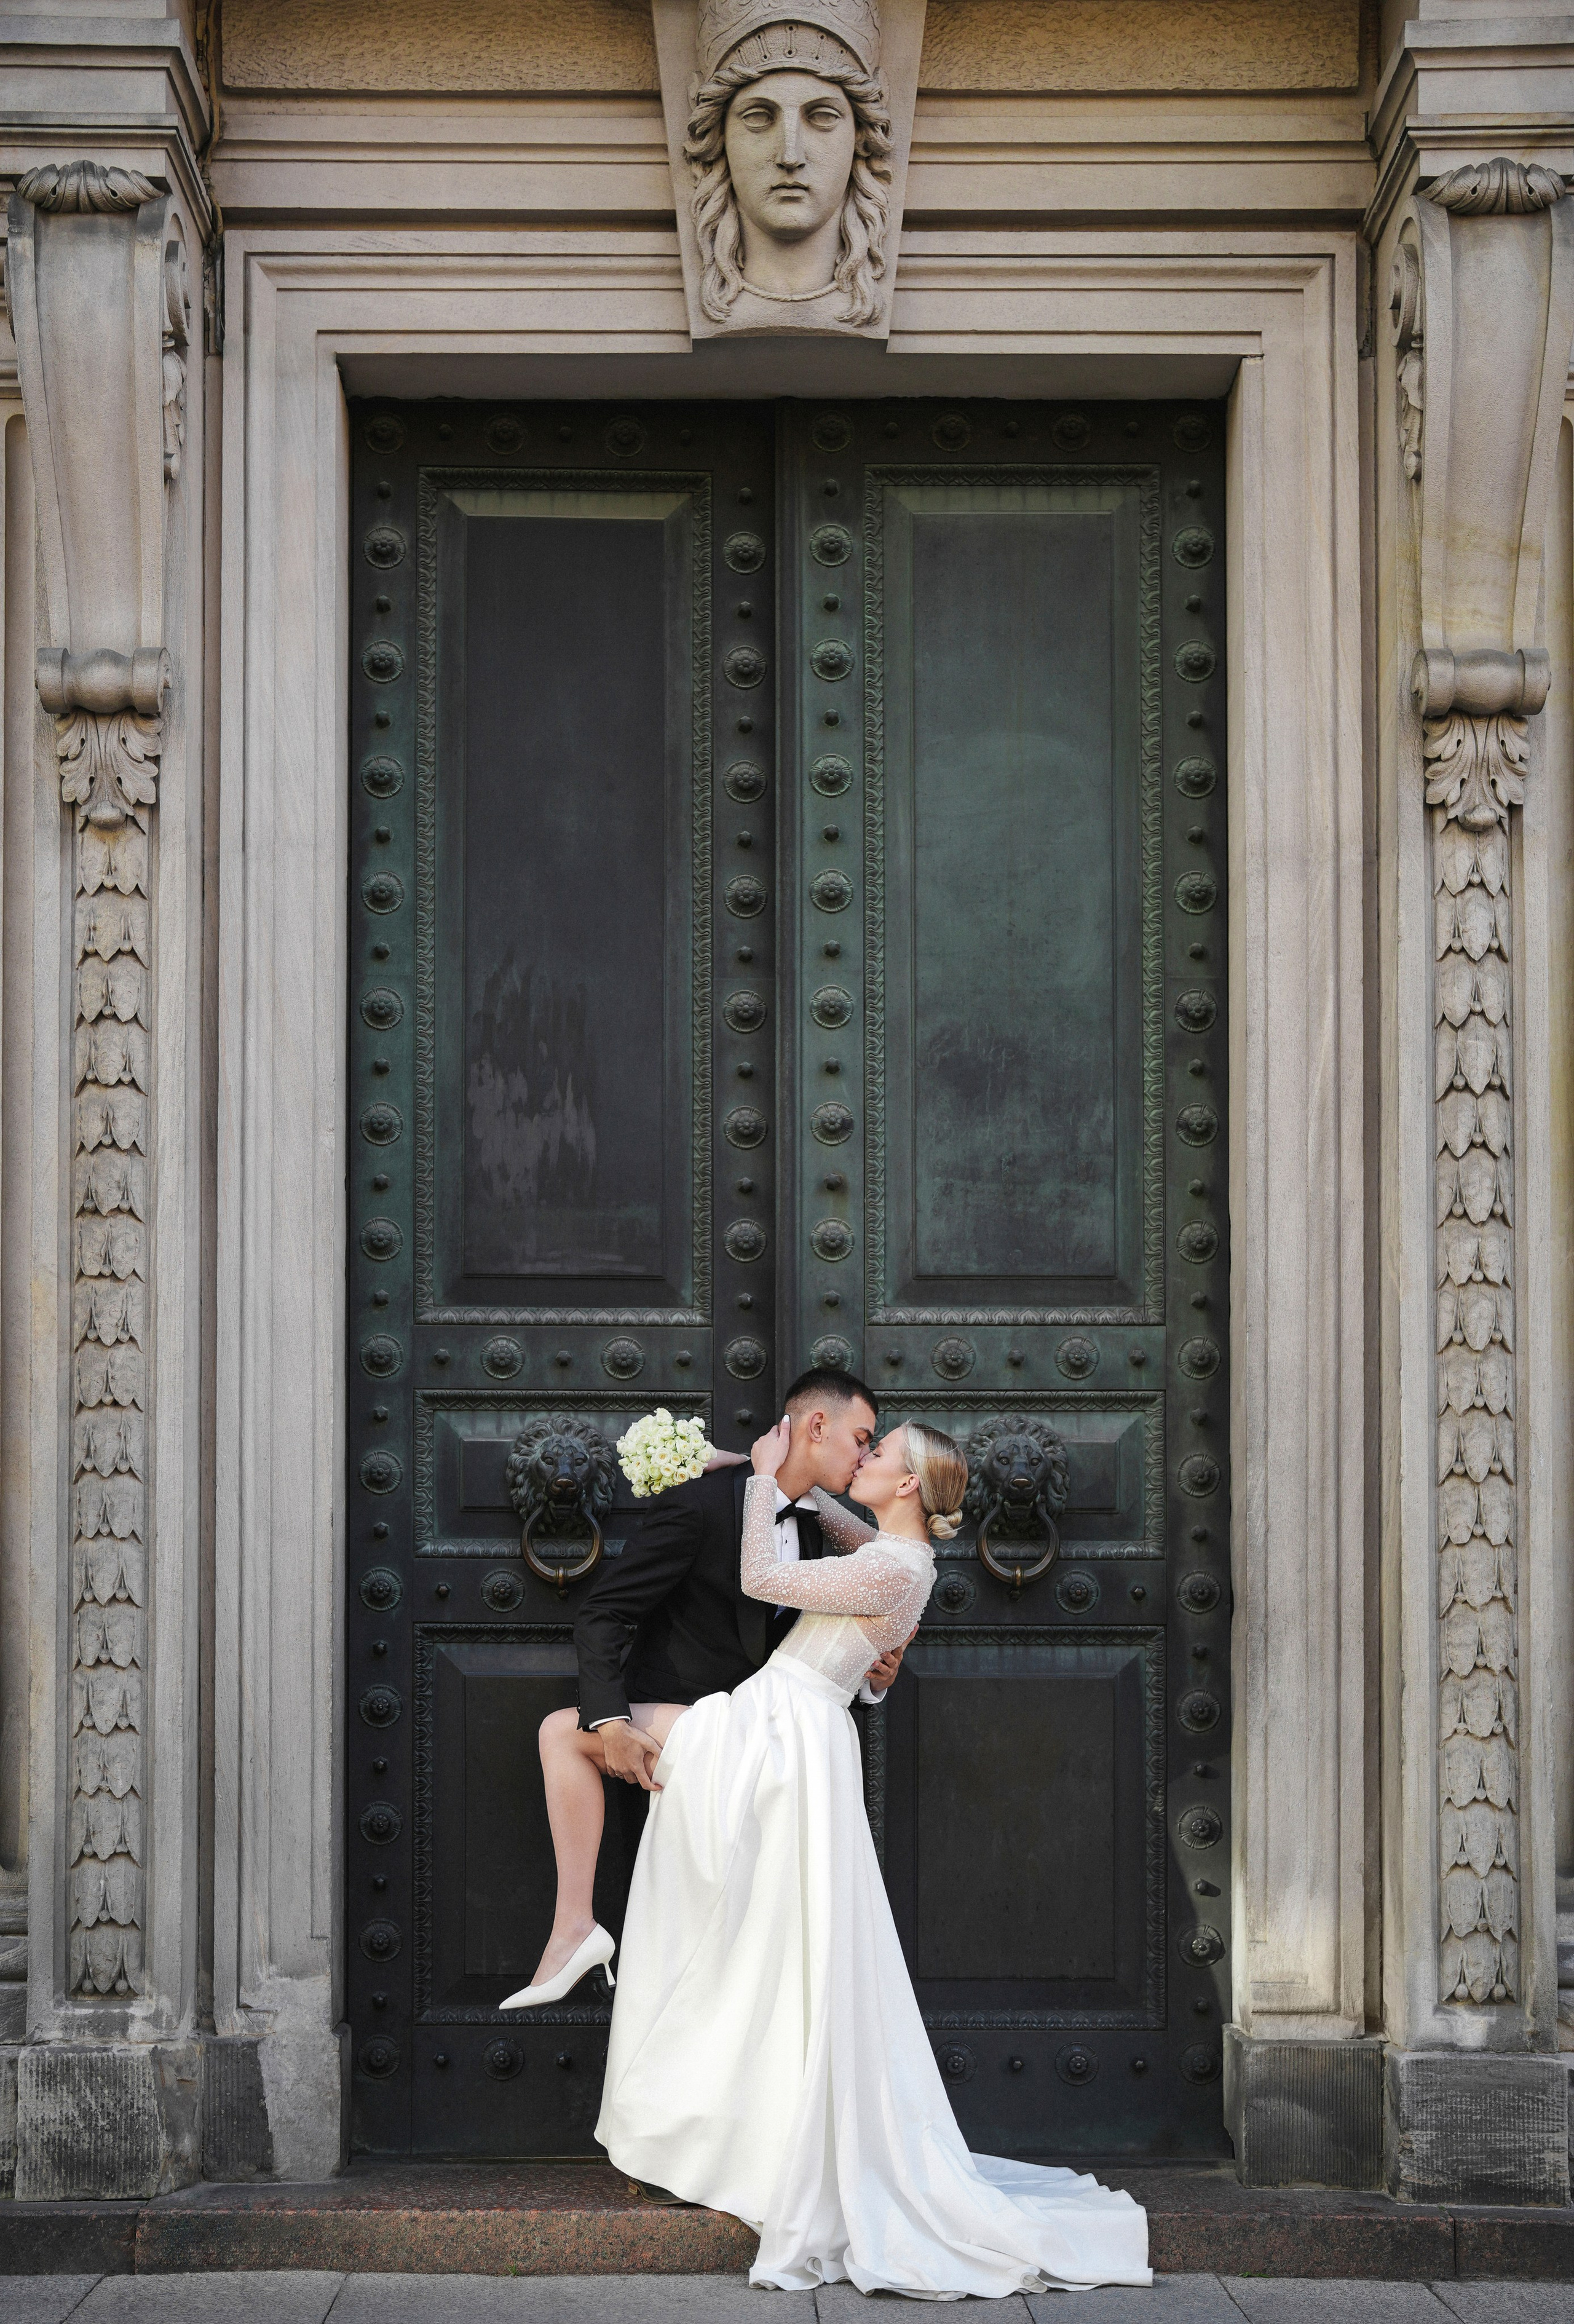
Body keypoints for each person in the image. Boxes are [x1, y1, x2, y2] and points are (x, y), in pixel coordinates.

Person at [594, 1415, 1152, 2299]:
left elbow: (761, 1576)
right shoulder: (897, 1552)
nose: (864, 1456)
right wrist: (765, 1466)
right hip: (795, 1726)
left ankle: (593, 1959)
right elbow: (834, 1524)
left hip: (784, 1730)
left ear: (907, 1483)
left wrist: (759, 1484)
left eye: (879, 1451)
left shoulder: (896, 1566)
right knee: (770, 1932)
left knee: (582, 1746)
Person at [502, 1368, 903, 2008]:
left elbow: (816, 1651)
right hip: (687, 1745)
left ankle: (575, 1929)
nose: (863, 1455)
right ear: (816, 1425)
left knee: (753, 1965)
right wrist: (611, 1720)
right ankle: (576, 1930)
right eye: (861, 1438)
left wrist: (873, 1678)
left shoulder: (825, 1527)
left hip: (767, 1753)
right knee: (688, 1958)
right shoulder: (700, 1505)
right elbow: (605, 1612)